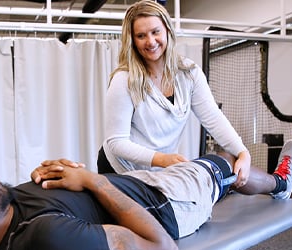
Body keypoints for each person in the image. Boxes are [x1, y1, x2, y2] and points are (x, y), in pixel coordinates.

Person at [0, 138, 292, 250]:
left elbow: (61, 198)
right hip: (169, 203)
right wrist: (95, 181)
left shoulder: (2, 209)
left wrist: (64, 171)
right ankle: (281, 183)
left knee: (204, 165)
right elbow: (163, 248)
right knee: (219, 162)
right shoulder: (48, 241)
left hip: (137, 186)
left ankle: (229, 185)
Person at [98, 0, 252, 188]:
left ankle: (279, 183)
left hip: (158, 167)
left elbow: (213, 117)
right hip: (120, 167)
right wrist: (163, 159)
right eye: (141, 35)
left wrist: (243, 153)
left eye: (156, 32)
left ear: (167, 31)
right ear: (132, 41)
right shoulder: (124, 79)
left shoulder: (189, 73)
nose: (151, 41)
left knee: (231, 160)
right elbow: (116, 142)